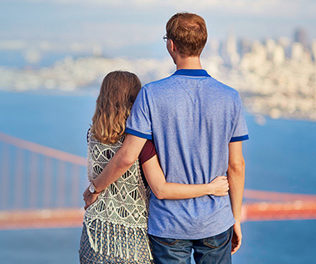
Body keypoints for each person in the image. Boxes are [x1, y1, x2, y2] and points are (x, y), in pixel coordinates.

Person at [84, 12, 249, 263]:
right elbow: (236, 166)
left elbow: (127, 156)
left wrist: (95, 188)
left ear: (171, 45)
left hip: (168, 225)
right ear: (202, 44)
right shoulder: (230, 97)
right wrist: (235, 218)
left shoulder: (151, 94)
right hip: (216, 220)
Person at [80, 71, 230, 264]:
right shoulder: (142, 144)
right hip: (132, 246)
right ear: (136, 100)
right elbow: (161, 188)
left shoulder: (92, 135)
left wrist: (93, 189)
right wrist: (210, 188)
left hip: (94, 238)